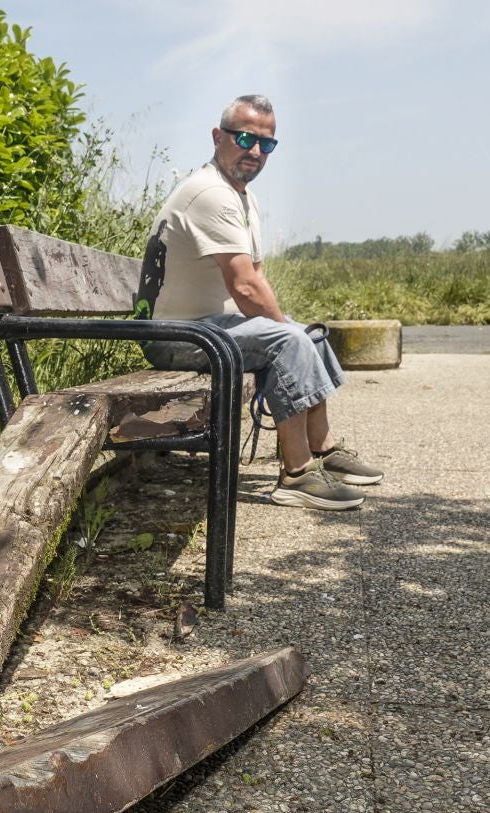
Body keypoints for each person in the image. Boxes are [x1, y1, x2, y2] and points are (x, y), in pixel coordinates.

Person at [133, 94, 382, 512]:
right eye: (245, 137)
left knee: (307, 336)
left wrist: (290, 326)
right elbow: (245, 287)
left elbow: (257, 277)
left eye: (266, 144)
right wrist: (286, 331)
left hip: (207, 326)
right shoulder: (210, 193)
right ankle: (297, 475)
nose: (254, 151)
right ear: (218, 137)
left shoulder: (243, 197)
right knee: (289, 341)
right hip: (173, 335)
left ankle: (322, 449)